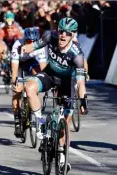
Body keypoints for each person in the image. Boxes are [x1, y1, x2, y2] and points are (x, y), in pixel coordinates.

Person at [19, 17, 88, 173]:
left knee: (65, 121)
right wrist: (23, 49)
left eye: (68, 33)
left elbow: (81, 82)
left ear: (73, 35)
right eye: (61, 31)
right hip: (49, 74)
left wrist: (83, 100)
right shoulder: (51, 36)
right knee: (29, 88)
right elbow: (34, 46)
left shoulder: (77, 55)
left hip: (67, 82)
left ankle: (62, 157)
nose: (63, 36)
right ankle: (41, 123)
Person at [10, 27, 47, 136]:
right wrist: (15, 81)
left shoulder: (39, 47)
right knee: (17, 91)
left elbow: (43, 68)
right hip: (19, 64)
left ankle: (33, 101)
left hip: (31, 63)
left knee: (38, 74)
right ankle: (17, 120)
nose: (32, 43)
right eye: (29, 41)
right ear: (25, 40)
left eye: (34, 41)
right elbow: (14, 68)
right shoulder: (17, 45)